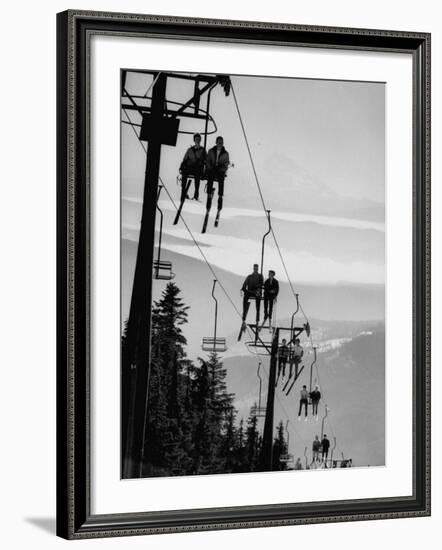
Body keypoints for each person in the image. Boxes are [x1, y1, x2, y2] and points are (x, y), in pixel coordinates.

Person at [205, 136, 230, 213]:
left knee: (221, 179)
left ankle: (220, 197)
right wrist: (210, 168)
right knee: (210, 177)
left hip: (220, 170)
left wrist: (221, 169)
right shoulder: (211, 151)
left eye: (221, 143)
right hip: (212, 169)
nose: (220, 144)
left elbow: (226, 164)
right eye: (219, 142)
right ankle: (209, 196)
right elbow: (208, 161)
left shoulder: (225, 153)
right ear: (216, 142)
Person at [179, 133, 206, 201]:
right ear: (194, 140)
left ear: (200, 140)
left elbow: (206, 160)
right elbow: (185, 159)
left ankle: (196, 193)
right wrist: (181, 167)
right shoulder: (190, 150)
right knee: (184, 173)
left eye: (199, 139)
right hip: (190, 167)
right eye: (196, 139)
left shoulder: (203, 150)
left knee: (197, 175)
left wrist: (204, 169)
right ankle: (183, 192)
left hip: (198, 168)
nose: (198, 140)